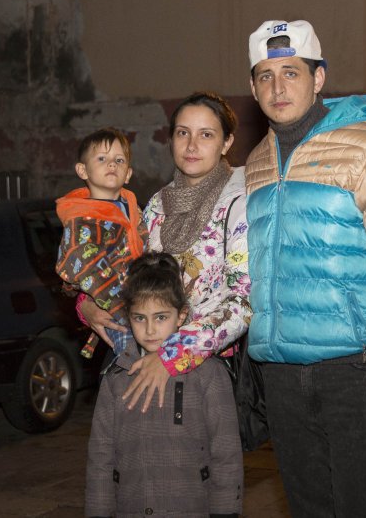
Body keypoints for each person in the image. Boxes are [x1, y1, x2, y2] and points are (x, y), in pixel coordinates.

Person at [243, 19, 366, 516]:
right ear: (252, 88)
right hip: (283, 377)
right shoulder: (256, 164)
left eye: (291, 72)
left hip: (359, 372)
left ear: (318, 79)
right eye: (266, 76)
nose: (278, 87)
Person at [110, 92, 251, 411]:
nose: (191, 145)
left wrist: (171, 357)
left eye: (206, 134)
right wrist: (92, 307)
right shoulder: (158, 204)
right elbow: (133, 278)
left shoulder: (239, 204)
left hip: (205, 369)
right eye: (183, 133)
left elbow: (242, 302)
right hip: (147, 359)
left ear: (226, 143)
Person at [86, 252, 243, 518]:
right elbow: (100, 456)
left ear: (180, 316)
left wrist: (226, 512)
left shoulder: (209, 375)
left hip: (192, 507)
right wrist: (98, 512)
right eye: (139, 318)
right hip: (131, 506)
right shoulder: (116, 376)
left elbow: (226, 453)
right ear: (128, 316)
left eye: (160, 317)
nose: (150, 330)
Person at [55, 127, 146, 357]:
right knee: (132, 363)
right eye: (102, 159)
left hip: (147, 305)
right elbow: (83, 266)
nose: (112, 164)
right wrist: (124, 310)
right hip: (118, 312)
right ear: (82, 170)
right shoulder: (81, 221)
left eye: (119, 160)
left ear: (128, 174)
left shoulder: (133, 209)